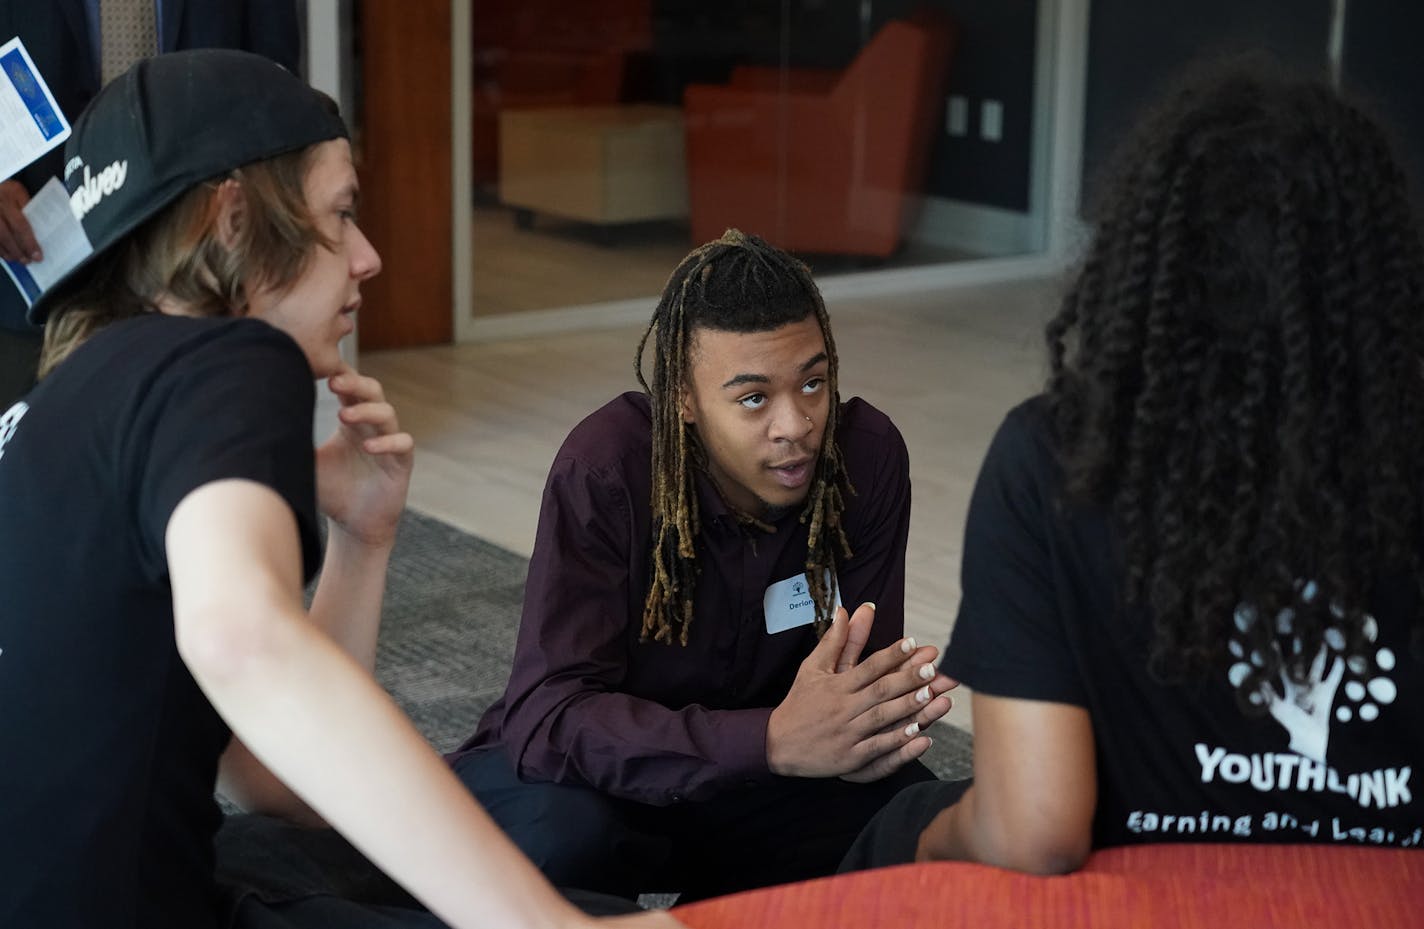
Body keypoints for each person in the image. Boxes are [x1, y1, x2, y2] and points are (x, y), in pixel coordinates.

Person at [0, 49, 681, 929]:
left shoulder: (46, 410)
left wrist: (364, 538)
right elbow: (245, 642)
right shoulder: (224, 355)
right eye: (341, 213)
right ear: (233, 220)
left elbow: (278, 780)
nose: (367, 257)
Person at [840, 66, 1424, 875]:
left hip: (1132, 889)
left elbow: (1033, 832)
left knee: (905, 817)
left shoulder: (1054, 460)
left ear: (1146, 264)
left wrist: (919, 840)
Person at [451, 229, 958, 902]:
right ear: (683, 400)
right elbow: (548, 718)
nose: (796, 424)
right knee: (557, 836)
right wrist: (768, 738)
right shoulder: (609, 470)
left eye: (814, 382)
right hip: (603, 784)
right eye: (754, 398)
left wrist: (873, 723)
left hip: (763, 790)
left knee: (918, 827)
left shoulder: (864, 458)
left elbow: (856, 683)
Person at [0, 0, 301, 405]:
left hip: (202, 266)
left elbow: (273, 93)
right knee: (29, 457)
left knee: (202, 449)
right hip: (31, 262)